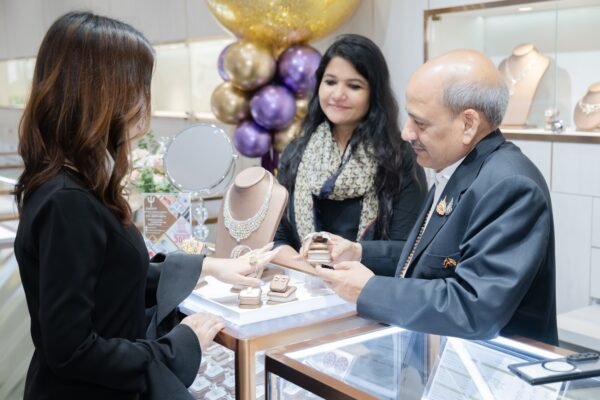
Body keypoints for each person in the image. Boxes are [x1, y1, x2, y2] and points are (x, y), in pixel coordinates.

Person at [13, 12, 277, 400]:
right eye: (139, 86)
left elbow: (110, 277)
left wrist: (209, 267)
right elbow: (72, 351)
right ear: (105, 95)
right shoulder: (68, 202)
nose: (143, 103)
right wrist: (178, 345)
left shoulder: (71, 184)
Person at [309, 49, 558, 345]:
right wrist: (358, 252)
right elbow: (426, 260)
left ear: (468, 124)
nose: (406, 133)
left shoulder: (510, 186)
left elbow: (473, 308)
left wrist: (369, 289)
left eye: (420, 123)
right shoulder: (459, 169)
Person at [274, 34, 427, 270]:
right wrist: (314, 273)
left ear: (374, 93)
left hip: (369, 287)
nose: (338, 95)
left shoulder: (399, 156)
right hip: (307, 284)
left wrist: (353, 258)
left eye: (354, 86)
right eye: (330, 82)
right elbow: (278, 237)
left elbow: (408, 250)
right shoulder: (296, 152)